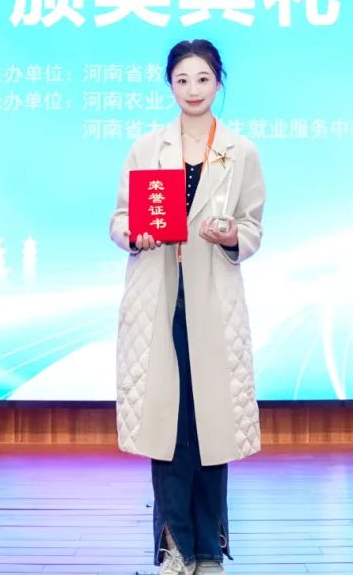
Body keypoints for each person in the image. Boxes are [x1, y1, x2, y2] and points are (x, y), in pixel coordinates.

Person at [109, 39, 266, 575]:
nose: (193, 90)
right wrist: (135, 235)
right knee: (167, 425)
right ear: (169, 85)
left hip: (212, 303)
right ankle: (175, 546)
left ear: (218, 82)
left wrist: (230, 235)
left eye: (203, 79)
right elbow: (120, 218)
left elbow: (253, 227)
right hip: (158, 300)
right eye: (182, 80)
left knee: (212, 425)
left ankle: (208, 550)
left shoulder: (240, 151)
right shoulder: (147, 147)